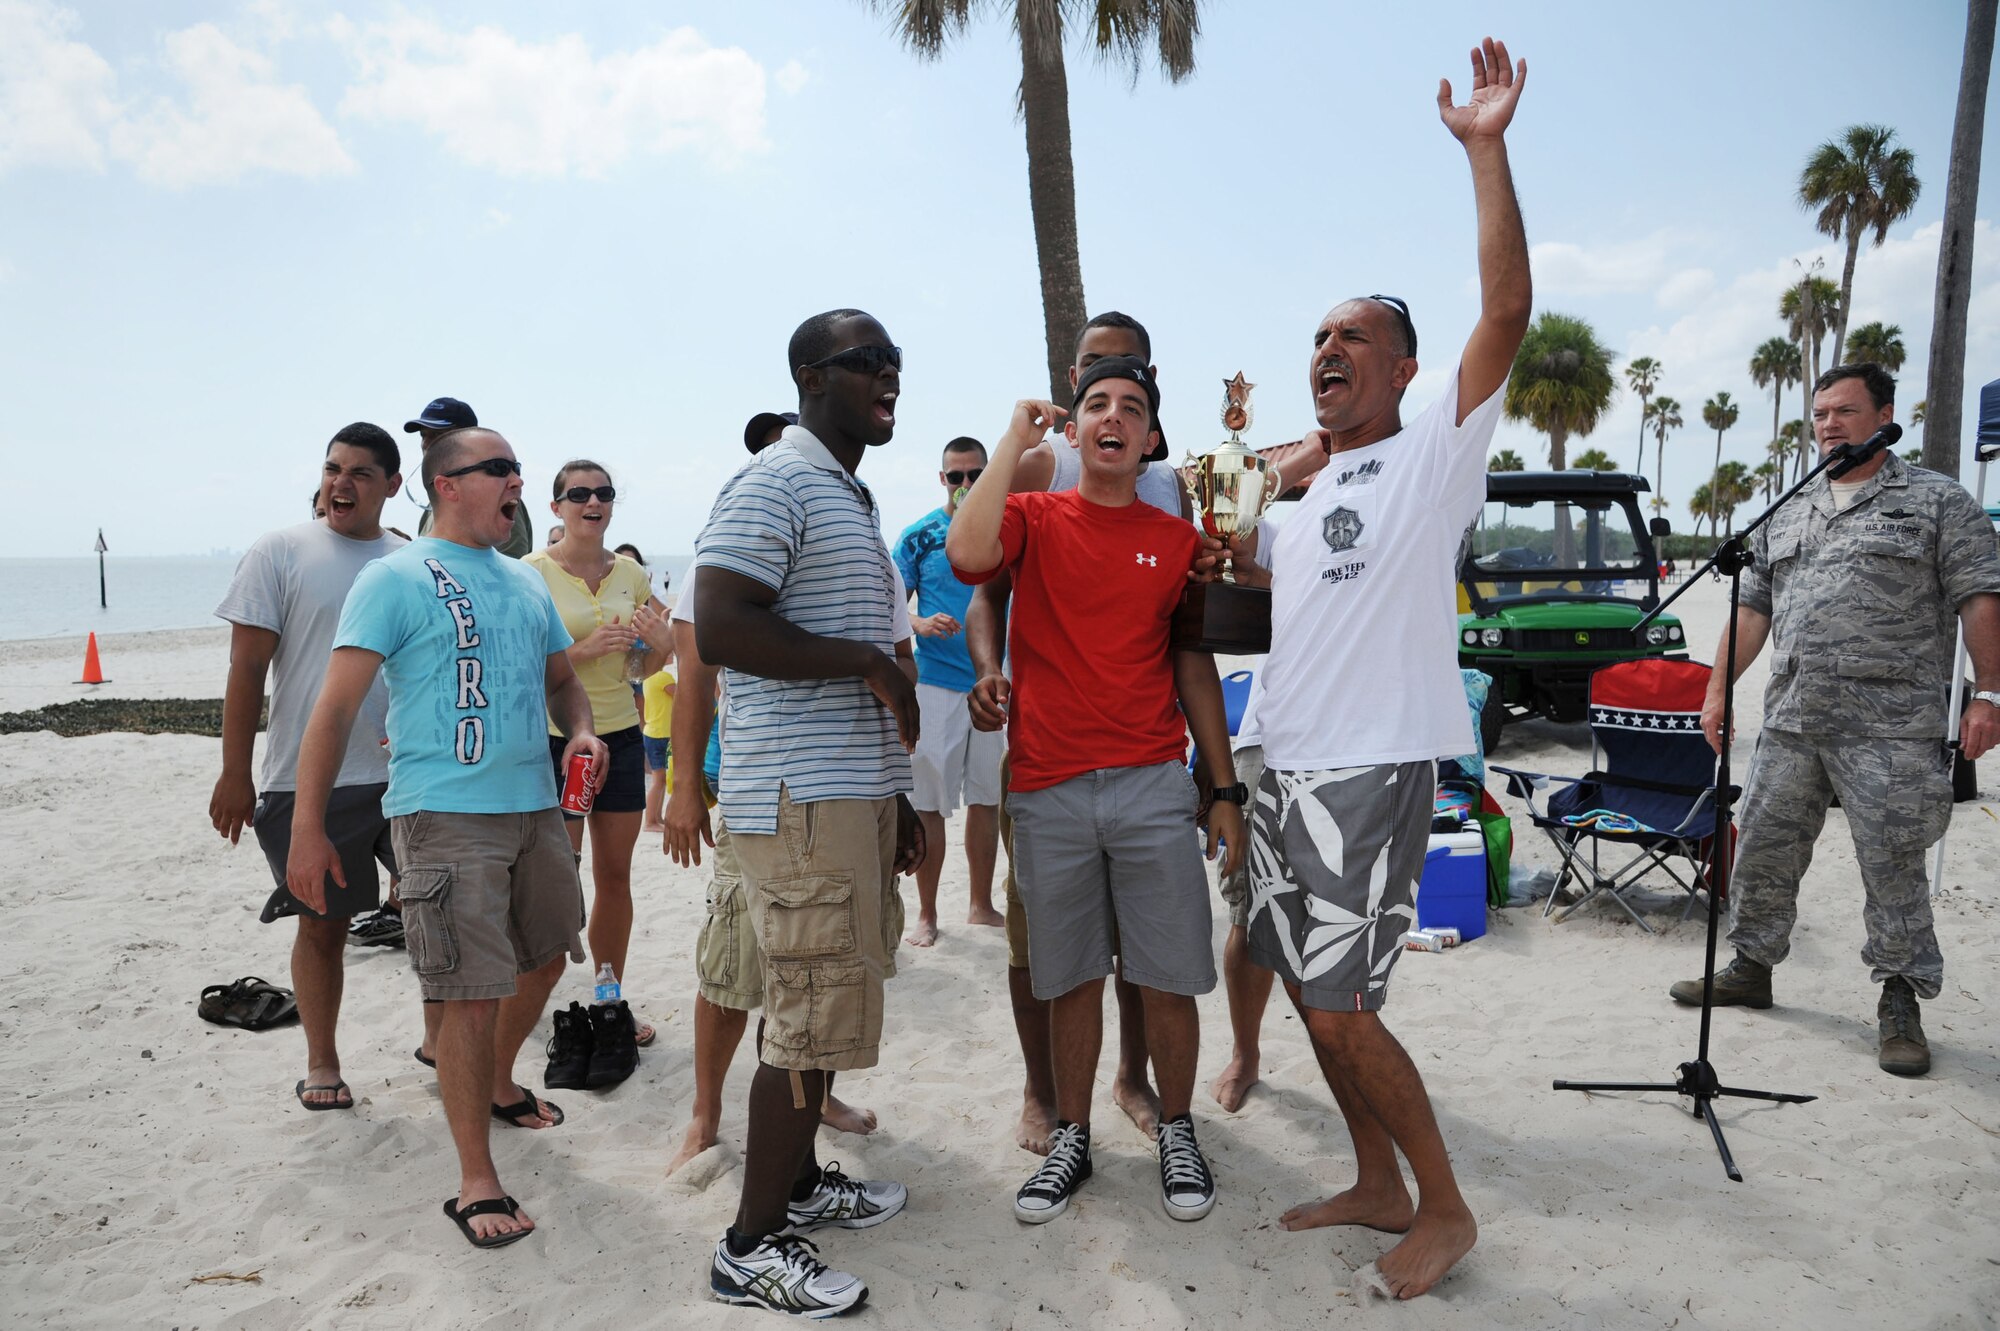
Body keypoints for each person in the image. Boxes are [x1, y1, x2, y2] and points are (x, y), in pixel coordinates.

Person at [1222, 37, 1531, 1300]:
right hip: (1281, 756)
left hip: (1370, 761)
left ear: (1403, 369)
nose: (1327, 349)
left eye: (1353, 337)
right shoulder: (1297, 497)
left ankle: (1445, 1208)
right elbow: (1242, 586)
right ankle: (1374, 1179)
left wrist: (1484, 148)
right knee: (1304, 985)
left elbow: (1503, 312)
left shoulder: (1431, 455)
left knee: (1346, 1005)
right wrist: (1248, 485)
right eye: (1317, 337)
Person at [288, 426, 605, 1248]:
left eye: (516, 469)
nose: (517, 481)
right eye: (499, 469)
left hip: (535, 808)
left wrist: (580, 732)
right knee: (467, 993)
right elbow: (333, 709)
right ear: (446, 484)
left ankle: (498, 1080)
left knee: (546, 954)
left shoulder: (525, 583)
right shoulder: (394, 578)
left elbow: (564, 682)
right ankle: (475, 1180)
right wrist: (308, 828)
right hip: (440, 811)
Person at [948, 357, 1244, 1228]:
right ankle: (1073, 1133)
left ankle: (1178, 1129)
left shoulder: (1181, 541)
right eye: (1097, 406)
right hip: (1047, 785)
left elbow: (1197, 665)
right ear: (1075, 431)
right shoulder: (1035, 515)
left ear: (1151, 441)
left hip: (1154, 784)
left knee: (1167, 976)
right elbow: (968, 556)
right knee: (1069, 976)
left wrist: (1219, 785)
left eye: (1133, 409)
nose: (1114, 417)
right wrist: (1015, 436)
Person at [1670, 362, 2000, 1076]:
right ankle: (1751, 965)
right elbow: (1753, 606)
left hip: (1892, 726)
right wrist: (1719, 689)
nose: (1828, 425)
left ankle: (1901, 997)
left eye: (1844, 411)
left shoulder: (1936, 501)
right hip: (1794, 718)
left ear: (1885, 414)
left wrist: (1989, 694)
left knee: (1893, 863)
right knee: (1762, 846)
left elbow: (1980, 598)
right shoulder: (1788, 506)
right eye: (1820, 414)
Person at [695, 313, 923, 1318]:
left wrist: (896, 794)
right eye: (865, 362)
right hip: (796, 800)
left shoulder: (844, 488)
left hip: (846, 793)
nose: (887, 378)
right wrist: (868, 661)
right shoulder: (774, 480)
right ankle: (748, 1245)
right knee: (804, 1017)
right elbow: (719, 622)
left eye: (894, 365)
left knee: (820, 1001)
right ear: (807, 376)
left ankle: (794, 1184)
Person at [964, 311, 1181, 1153]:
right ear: (1073, 384)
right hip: (1049, 748)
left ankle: (1131, 1076)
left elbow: (1184, 619)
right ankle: (1040, 1087)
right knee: (1039, 939)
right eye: (1095, 370)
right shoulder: (1038, 467)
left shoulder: (1170, 484)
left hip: (1140, 748)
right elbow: (985, 585)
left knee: (1138, 943)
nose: (1110, 386)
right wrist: (990, 671)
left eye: (1129, 371)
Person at [660, 546, 906, 1174]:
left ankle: (819, 1099)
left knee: (819, 969)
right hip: (759, 799)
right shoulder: (728, 560)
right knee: (732, 968)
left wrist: (899, 798)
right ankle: (706, 1114)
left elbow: (894, 682)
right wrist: (684, 788)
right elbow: (693, 675)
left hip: (853, 798)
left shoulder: (871, 556)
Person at [210, 423, 408, 1110]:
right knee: (322, 925)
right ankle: (322, 1061)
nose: (341, 482)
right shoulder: (281, 550)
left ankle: (446, 1046)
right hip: (310, 777)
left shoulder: (408, 558)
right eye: (332, 468)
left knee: (443, 913)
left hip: (408, 774)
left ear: (394, 485)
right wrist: (236, 770)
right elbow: (247, 666)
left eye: (359, 471)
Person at [524, 462, 671, 1056]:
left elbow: (639, 669)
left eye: (604, 494)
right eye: (579, 494)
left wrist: (658, 652)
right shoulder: (530, 573)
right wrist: (582, 648)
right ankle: (528, 991)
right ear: (556, 506)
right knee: (554, 876)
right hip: (556, 742)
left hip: (620, 738)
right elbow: (517, 670)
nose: (593, 502)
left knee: (615, 876)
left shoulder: (630, 573)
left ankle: (609, 994)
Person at [892, 435, 1007, 946]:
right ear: (943, 479)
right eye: (956, 476)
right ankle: (928, 914)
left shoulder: (1007, 526)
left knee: (987, 799)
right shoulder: (918, 536)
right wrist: (919, 624)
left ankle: (981, 906)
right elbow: (891, 605)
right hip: (935, 685)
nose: (966, 485)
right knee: (931, 805)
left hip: (994, 684)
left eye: (976, 475)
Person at [1204, 666, 1274, 1112]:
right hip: (1267, 737)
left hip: (1365, 739)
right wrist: (1219, 781)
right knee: (1247, 913)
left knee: (1344, 920)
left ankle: (1351, 1055)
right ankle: (1244, 1056)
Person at [404, 396, 535, 558]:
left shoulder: (500, 498)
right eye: (424, 435)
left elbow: (513, 564)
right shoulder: (434, 505)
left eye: (438, 434)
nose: (426, 444)